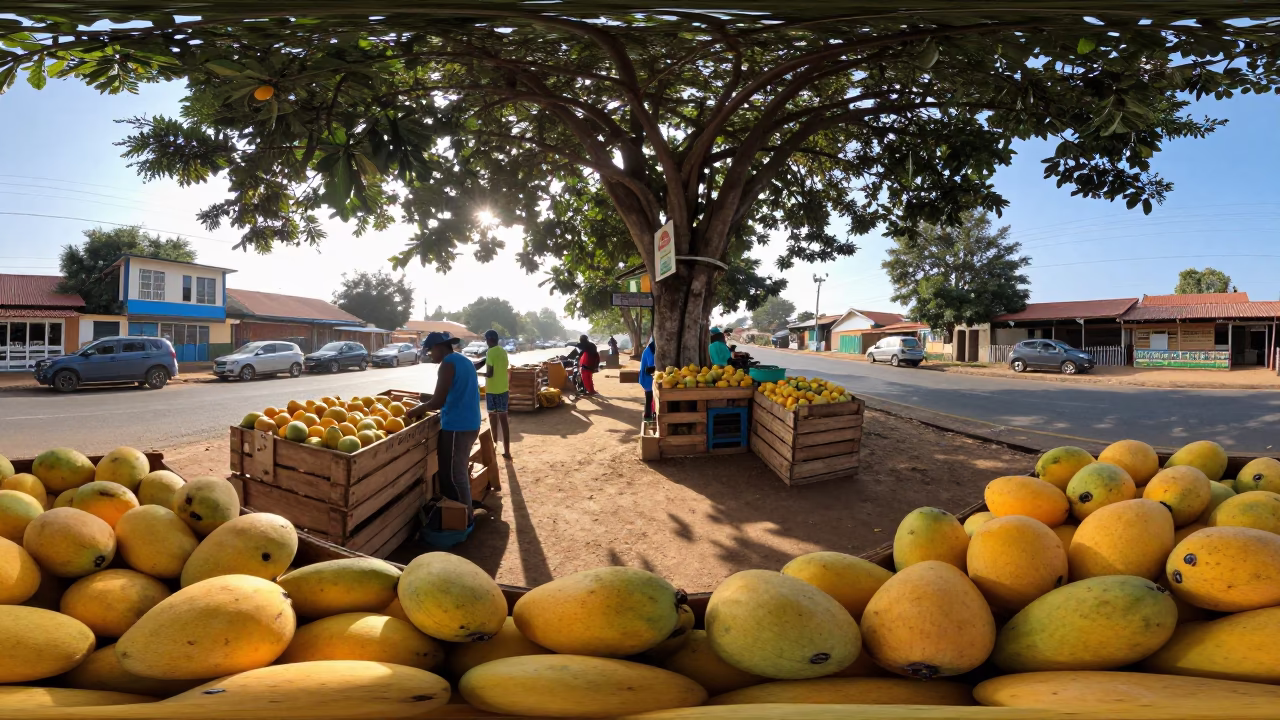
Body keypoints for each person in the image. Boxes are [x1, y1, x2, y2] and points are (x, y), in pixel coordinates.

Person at [407, 331, 482, 525]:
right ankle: (458, 515)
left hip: (458, 427)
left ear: (439, 348)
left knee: (455, 475)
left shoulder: (447, 364)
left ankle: (464, 519)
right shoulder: (463, 360)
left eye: (430, 351)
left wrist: (413, 412)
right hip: (469, 423)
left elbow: (437, 401)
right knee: (455, 472)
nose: (430, 355)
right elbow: (451, 393)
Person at [475, 329, 511, 458]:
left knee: (493, 422)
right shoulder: (503, 351)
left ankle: (494, 450)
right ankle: (507, 451)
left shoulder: (490, 352)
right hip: (503, 390)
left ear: (489, 340)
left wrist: (477, 373)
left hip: (492, 391)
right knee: (504, 422)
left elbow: (490, 374)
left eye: (486, 340)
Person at [639, 337, 656, 420]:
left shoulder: (649, 349)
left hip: (647, 377)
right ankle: (648, 415)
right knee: (650, 397)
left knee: (649, 397)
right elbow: (651, 367)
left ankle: (649, 413)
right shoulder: (650, 351)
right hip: (648, 378)